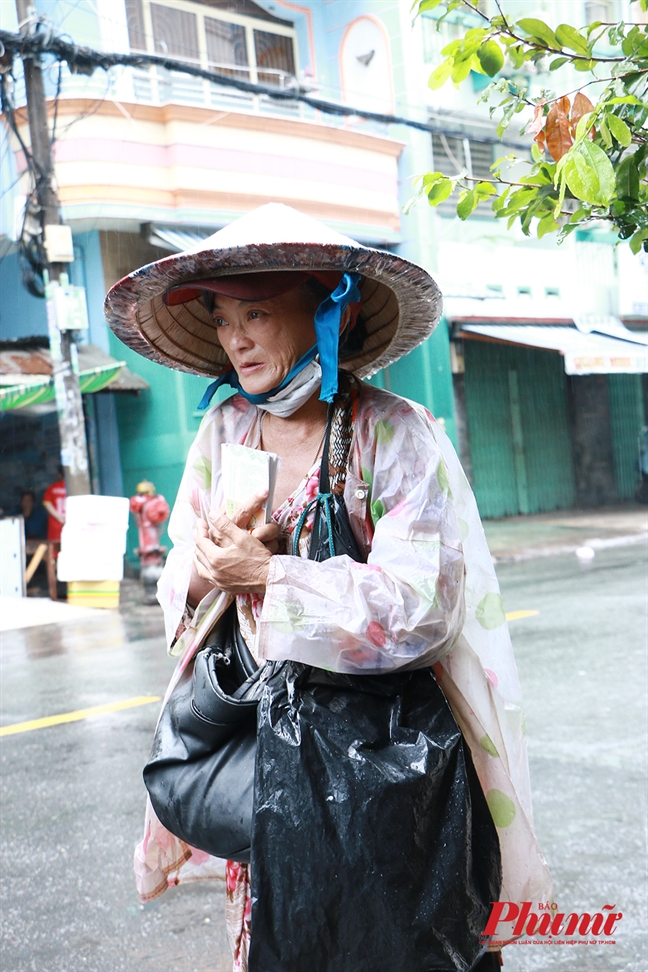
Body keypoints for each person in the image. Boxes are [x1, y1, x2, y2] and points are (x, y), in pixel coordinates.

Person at [105, 204, 551, 972]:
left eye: (255, 313)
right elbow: (179, 572)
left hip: (387, 764)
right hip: (263, 761)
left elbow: (422, 611)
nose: (233, 337)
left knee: (396, 935)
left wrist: (272, 576)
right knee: (284, 937)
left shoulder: (396, 435)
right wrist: (213, 566)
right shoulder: (223, 435)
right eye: (220, 318)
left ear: (326, 316)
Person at [43, 472, 66, 546]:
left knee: (54, 549)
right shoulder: (74, 489)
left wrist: (58, 517)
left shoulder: (52, 487)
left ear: (59, 475)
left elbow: (47, 503)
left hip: (56, 522)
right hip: (68, 522)